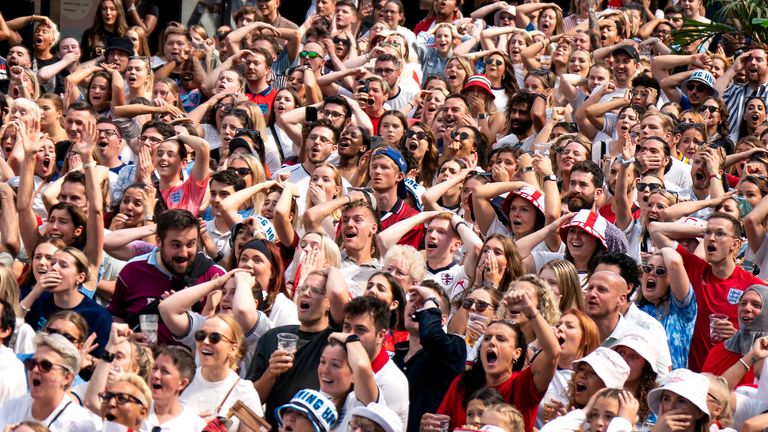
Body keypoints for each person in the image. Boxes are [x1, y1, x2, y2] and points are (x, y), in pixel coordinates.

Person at [108, 209, 226, 346]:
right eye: (176, 245)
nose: (183, 253)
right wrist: (127, 339)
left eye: (190, 244)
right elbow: (116, 316)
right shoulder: (132, 271)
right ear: (159, 241)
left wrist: (189, 317)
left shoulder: (215, 276)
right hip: (143, 362)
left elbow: (230, 330)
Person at [0, 333, 100, 431]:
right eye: (32, 363)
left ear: (67, 377)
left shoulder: (80, 425)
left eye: (45, 365)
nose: (35, 369)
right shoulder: (12, 406)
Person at [180, 314, 263, 430]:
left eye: (215, 338)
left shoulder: (244, 391)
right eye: (201, 335)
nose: (205, 341)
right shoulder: (181, 380)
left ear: (233, 349)